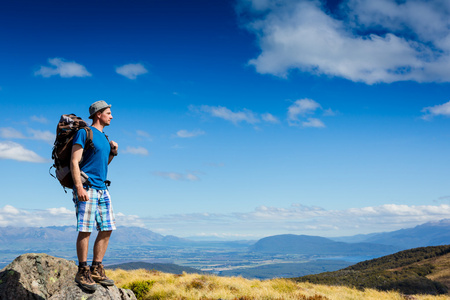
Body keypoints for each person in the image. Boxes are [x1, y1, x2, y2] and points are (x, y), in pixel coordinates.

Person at [71, 100, 118, 291]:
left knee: (107, 227)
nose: (111, 116)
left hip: (102, 189)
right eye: (108, 112)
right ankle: (83, 271)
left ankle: (96, 268)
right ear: (98, 114)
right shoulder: (84, 133)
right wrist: (79, 188)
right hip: (87, 187)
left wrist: (113, 152)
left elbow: (102, 164)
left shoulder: (105, 138)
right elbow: (75, 162)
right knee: (86, 229)